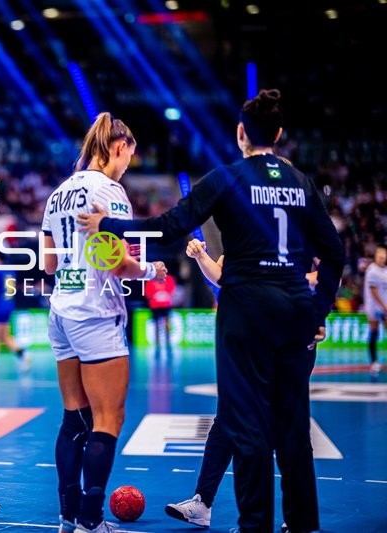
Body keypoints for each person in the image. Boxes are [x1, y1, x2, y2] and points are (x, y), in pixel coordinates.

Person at [78, 89, 344, 533]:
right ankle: (302, 525)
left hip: (245, 309)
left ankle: (254, 524)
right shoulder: (302, 182)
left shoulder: (228, 177)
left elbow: (170, 226)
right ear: (279, 134)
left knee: (246, 423)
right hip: (296, 308)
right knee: (295, 427)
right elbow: (334, 254)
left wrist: (110, 224)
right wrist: (317, 312)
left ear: (242, 133)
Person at [41, 112, 167, 533]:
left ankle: (67, 516)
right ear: (117, 147)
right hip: (97, 311)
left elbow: (48, 262)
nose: (129, 164)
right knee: (107, 418)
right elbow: (114, 261)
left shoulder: (58, 192)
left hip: (62, 309)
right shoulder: (110, 191)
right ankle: (91, 522)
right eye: (129, 155)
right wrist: (151, 271)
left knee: (72, 417)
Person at [166, 239, 322, 533]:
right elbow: (222, 276)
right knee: (227, 419)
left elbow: (326, 273)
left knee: (288, 424)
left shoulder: (297, 227)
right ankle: (203, 503)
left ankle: (296, 513)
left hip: (293, 340)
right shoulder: (245, 232)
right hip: (251, 340)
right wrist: (200, 256)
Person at [363, 245, 387, 376]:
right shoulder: (372, 270)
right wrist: (384, 306)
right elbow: (374, 291)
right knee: (374, 333)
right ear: (376, 255)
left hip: (385, 306)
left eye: (384, 256)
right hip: (374, 307)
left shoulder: (386, 271)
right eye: (380, 255)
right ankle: (373, 362)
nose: (382, 258)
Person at [144, 272, 177, 354]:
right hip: (155, 305)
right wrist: (156, 295)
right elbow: (147, 292)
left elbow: (172, 291)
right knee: (156, 325)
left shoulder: (169, 278)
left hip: (166, 304)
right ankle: (157, 343)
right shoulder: (151, 279)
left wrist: (165, 295)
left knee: (167, 324)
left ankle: (168, 342)